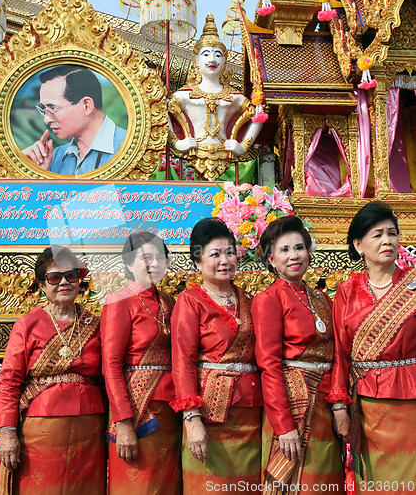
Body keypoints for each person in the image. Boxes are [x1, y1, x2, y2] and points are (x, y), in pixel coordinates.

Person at [0, 245, 106, 494]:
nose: (64, 282)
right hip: (41, 428)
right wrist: (8, 432)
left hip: (90, 427)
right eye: (55, 277)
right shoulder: (28, 324)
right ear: (42, 286)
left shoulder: (96, 324)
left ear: (79, 281)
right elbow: (10, 381)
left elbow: (108, 377)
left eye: (71, 275)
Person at [252, 216, 344, 495]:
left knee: (326, 482)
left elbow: (338, 352)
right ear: (271, 259)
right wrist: (283, 426)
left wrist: (339, 404)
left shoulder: (320, 297)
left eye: (299, 248)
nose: (294, 256)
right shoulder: (269, 298)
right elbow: (269, 364)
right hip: (292, 405)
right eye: (284, 250)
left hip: (324, 406)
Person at [328, 201, 416, 493]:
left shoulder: (413, 284)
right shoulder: (347, 290)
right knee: (374, 480)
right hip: (364, 404)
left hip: (410, 402)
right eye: (377, 234)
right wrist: (339, 404)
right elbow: (341, 352)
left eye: (392, 233)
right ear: (359, 244)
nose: (387, 240)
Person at [170, 217, 262, 493]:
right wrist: (192, 417)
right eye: (215, 254)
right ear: (198, 262)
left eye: (230, 252)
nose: (225, 260)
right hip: (210, 415)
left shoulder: (248, 299)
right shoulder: (190, 301)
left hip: (250, 412)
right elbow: (182, 361)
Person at [101, 232, 181, 494]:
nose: (155, 263)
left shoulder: (172, 303)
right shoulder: (119, 301)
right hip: (137, 414)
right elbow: (111, 365)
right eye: (146, 257)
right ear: (128, 263)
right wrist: (123, 422)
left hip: (171, 413)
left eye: (160, 257)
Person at [168, 14, 263, 180]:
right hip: (191, 155)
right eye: (206, 54)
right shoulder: (183, 95)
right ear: (196, 60)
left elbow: (259, 117)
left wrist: (242, 147)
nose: (212, 59)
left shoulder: (234, 96)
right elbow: (160, 112)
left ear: (224, 61)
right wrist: (177, 143)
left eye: (218, 55)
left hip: (227, 159)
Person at [22, 64, 127, 175]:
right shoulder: (55, 157)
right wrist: (38, 174)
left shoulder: (128, 147)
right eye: (44, 109)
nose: (46, 120)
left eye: (53, 108)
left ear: (86, 105)